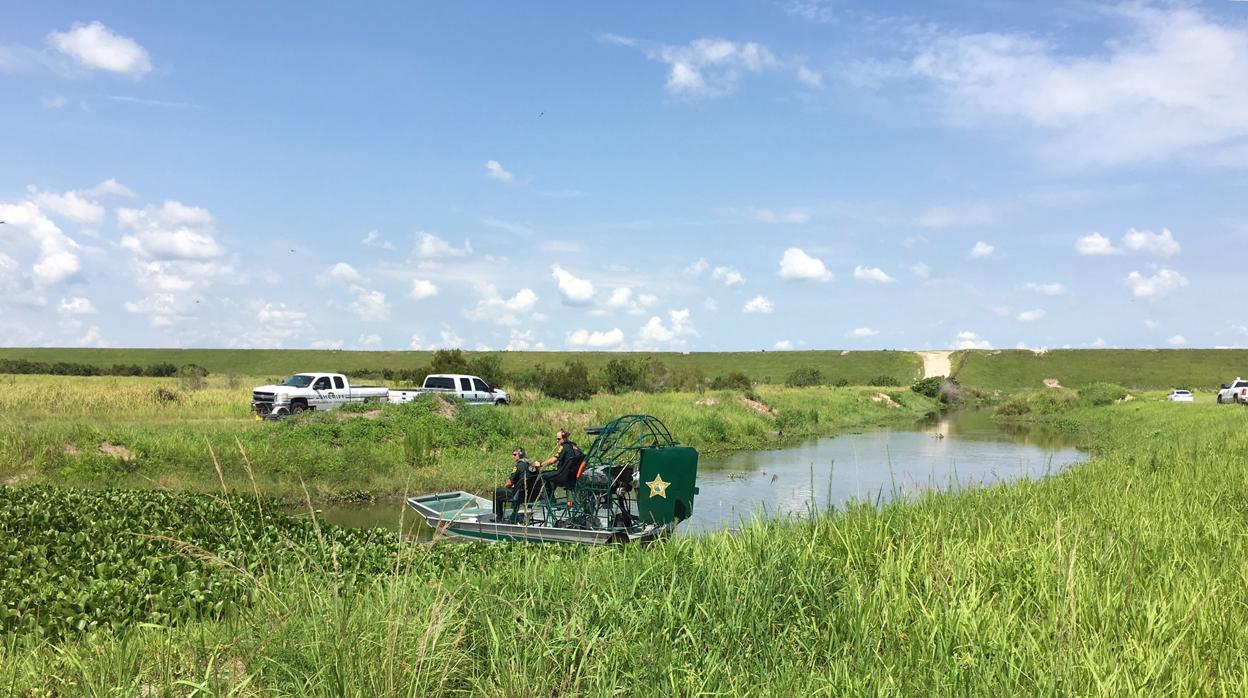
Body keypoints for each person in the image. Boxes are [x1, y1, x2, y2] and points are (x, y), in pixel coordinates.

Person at [493, 447, 540, 520]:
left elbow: (509, 483)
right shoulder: (533, 465)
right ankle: (514, 514)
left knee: (497, 492)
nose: (513, 456)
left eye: (514, 454)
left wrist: (505, 487)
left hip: (520, 496)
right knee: (518, 489)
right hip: (533, 495)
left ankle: (499, 517)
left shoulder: (519, 466)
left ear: (519, 455)